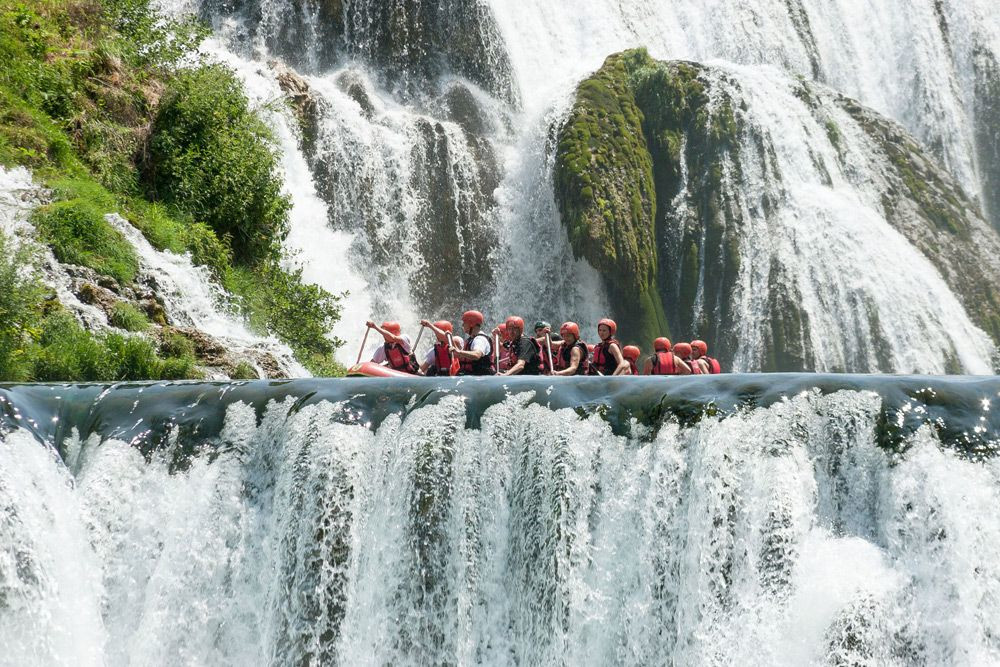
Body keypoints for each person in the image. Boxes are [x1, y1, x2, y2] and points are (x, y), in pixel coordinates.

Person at [450, 310, 493, 375]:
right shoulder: (471, 339)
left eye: (464, 322)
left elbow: (477, 355)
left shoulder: (479, 339)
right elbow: (459, 355)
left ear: (471, 323)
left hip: (480, 377)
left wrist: (459, 351)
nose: (463, 325)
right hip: (471, 375)